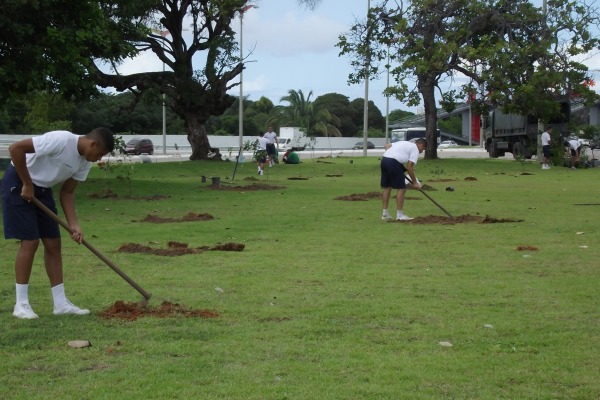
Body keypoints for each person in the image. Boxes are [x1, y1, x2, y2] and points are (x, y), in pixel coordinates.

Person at [1, 128, 115, 319]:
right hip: (19, 182)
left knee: (54, 243)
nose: (98, 159)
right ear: (92, 144)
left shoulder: (85, 161)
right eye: (100, 154)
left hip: (43, 190)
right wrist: (27, 184)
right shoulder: (61, 140)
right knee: (30, 242)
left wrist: (74, 224)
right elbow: (15, 149)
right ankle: (21, 305)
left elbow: (67, 192)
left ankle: (60, 304)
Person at [380, 138, 427, 221]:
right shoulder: (415, 149)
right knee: (401, 188)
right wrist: (415, 183)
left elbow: (386, 146)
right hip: (394, 163)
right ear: (421, 145)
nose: (422, 152)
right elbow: (409, 167)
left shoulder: (404, 143)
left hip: (384, 160)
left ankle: (385, 214)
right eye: (423, 149)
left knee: (387, 187)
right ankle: (400, 215)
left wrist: (392, 154)